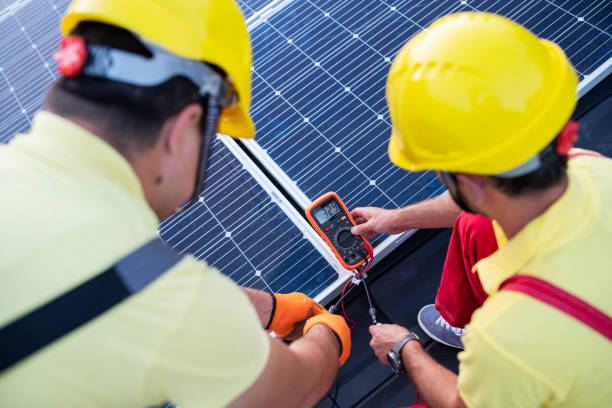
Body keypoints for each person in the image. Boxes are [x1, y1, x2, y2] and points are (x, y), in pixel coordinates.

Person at [0, 0, 350, 407]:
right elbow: (296, 387)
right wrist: (326, 332)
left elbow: (104, 286)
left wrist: (270, 309)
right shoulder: (162, 303)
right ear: (181, 131)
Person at [352, 12, 612, 408]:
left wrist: (404, 348)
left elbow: (460, 403)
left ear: (468, 180)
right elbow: (475, 200)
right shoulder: (590, 166)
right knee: (475, 223)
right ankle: (454, 321)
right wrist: (395, 219)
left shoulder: (507, 338)